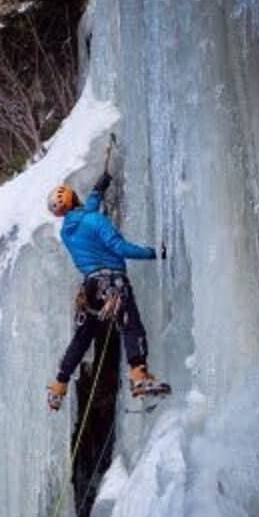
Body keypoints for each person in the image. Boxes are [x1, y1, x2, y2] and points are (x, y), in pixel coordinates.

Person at [45, 169, 170, 411]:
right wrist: (156, 252)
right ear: (74, 200)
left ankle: (59, 386)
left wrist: (98, 190)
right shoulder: (95, 221)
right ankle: (139, 376)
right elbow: (120, 248)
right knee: (131, 326)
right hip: (113, 283)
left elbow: (86, 215)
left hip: (90, 288)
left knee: (82, 338)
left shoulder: (67, 231)